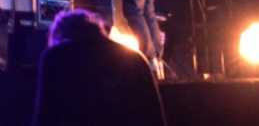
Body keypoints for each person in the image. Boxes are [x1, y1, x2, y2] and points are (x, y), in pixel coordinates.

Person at [32, 9, 165, 126]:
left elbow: (44, 116)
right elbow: (154, 116)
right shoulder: (135, 57)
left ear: (59, 36)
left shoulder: (56, 56)